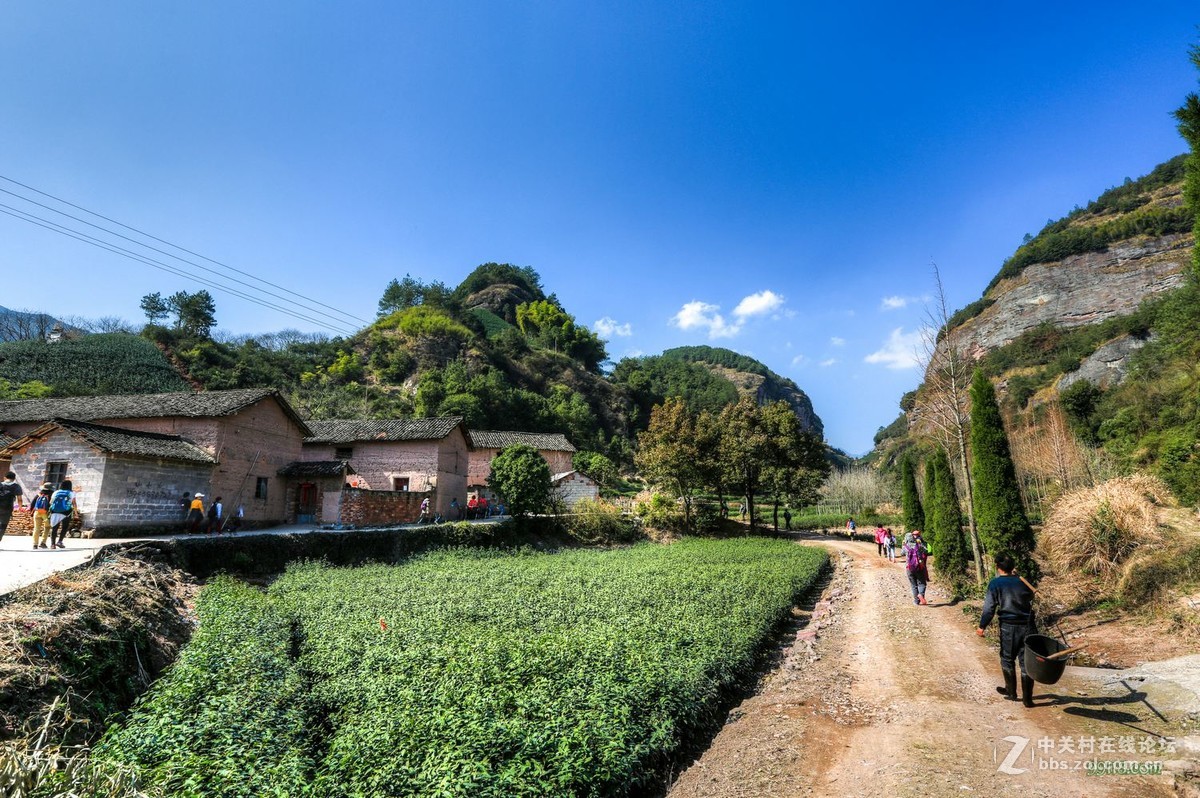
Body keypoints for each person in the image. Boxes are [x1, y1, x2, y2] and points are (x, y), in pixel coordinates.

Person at [976, 553, 1038, 707]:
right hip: (1028, 626)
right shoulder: (1023, 582)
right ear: (1012, 567)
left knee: (1007, 658)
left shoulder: (995, 584)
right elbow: (1031, 596)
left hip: (1009, 626)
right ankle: (1027, 699)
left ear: (998, 567)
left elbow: (989, 608)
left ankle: (1011, 692)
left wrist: (982, 626)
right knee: (1026, 662)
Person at [903, 529, 929, 605]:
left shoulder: (906, 546)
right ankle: (921, 594)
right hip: (919, 566)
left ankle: (916, 601)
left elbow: (902, 553)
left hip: (909, 567)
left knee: (913, 585)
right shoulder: (919, 544)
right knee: (922, 583)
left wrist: (904, 545)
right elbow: (926, 551)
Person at [48, 479, 77, 549]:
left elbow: (51, 502)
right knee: (64, 527)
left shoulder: (56, 492)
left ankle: (52, 544)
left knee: (54, 528)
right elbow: (74, 504)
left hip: (55, 512)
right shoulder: (72, 493)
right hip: (66, 512)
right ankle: (60, 541)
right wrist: (76, 513)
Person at [0, 471, 26, 543]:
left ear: (5, 477)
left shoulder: (0, 484)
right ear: (14, 478)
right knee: (3, 526)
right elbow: (19, 499)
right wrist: (20, 507)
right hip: (7, 509)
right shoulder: (16, 486)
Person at [28, 483, 52, 549]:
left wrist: (32, 513)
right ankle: (43, 543)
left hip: (37, 512)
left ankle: (35, 544)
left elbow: (32, 504)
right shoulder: (51, 495)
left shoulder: (38, 495)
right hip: (45, 513)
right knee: (47, 527)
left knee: (36, 528)